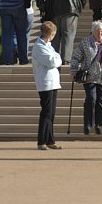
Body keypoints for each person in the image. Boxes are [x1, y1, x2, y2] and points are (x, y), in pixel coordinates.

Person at [70, 21, 102, 135]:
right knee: (91, 99)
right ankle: (87, 125)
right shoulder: (85, 42)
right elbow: (75, 57)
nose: (101, 34)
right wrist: (74, 71)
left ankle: (98, 125)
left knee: (101, 101)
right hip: (89, 77)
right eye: (98, 32)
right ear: (93, 32)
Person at [36, 0, 87, 64]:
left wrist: (43, 9)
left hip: (53, 11)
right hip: (71, 10)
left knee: (54, 36)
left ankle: (54, 58)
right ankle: (66, 59)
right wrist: (80, 7)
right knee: (68, 35)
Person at [31, 20, 62, 150]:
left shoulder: (48, 45)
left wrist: (57, 58)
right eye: (53, 34)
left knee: (52, 112)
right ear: (49, 34)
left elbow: (57, 58)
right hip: (45, 83)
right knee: (46, 112)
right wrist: (57, 58)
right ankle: (41, 140)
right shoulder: (39, 47)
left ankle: (50, 139)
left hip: (53, 82)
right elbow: (52, 61)